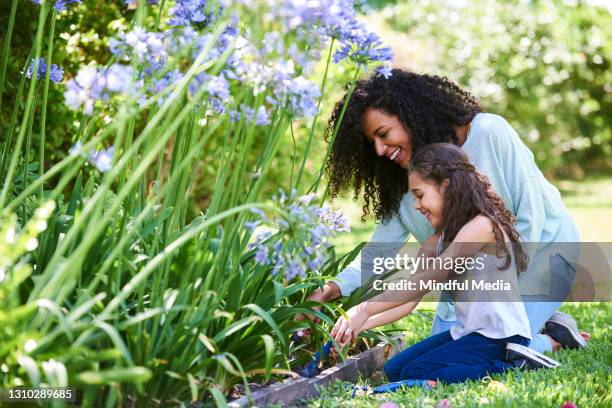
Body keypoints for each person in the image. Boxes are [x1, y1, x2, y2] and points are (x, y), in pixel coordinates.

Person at [302, 69, 586, 354]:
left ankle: (552, 340)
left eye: (383, 134)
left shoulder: (488, 132)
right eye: (371, 142)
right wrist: (333, 288)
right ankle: (547, 324)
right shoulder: (402, 184)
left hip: (544, 255)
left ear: (410, 114)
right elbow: (379, 252)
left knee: (489, 349)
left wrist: (498, 298)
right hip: (472, 278)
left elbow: (532, 217)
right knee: (442, 350)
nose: (378, 149)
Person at [331, 143, 553, 383]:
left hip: (501, 336)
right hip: (470, 333)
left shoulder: (482, 227)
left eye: (420, 194)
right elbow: (411, 298)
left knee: (415, 373)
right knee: (394, 371)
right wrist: (358, 325)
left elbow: (432, 276)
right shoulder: (437, 241)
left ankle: (515, 365)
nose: (416, 205)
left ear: (446, 187)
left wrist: (364, 309)